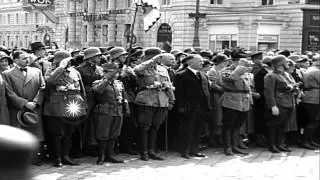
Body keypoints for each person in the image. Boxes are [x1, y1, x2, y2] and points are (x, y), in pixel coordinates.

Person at [43, 50, 87, 167]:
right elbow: (49, 82)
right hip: (56, 107)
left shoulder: (75, 72)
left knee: (69, 132)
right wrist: (60, 68)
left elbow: (81, 90)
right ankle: (57, 158)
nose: (69, 63)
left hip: (72, 105)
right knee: (57, 133)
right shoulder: (51, 71)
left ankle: (66, 156)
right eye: (66, 61)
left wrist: (84, 106)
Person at [2, 50, 46, 165]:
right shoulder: (7, 74)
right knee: (19, 135)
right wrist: (24, 103)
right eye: (23, 58)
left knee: (36, 134)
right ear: (16, 60)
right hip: (18, 109)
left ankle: (37, 157)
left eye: (27, 58)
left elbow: (42, 88)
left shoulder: (36, 71)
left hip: (34, 109)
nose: (27, 60)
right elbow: (9, 92)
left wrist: (36, 102)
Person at [134, 47, 175, 161]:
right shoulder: (143, 67)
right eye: (159, 56)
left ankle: (152, 150)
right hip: (146, 100)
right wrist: (152, 60)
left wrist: (172, 99)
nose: (160, 58)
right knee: (145, 127)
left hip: (161, 101)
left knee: (155, 127)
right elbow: (137, 70)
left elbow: (168, 84)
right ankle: (144, 151)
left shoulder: (162, 69)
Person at [174, 54, 211, 159]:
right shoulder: (181, 75)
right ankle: (185, 150)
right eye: (199, 61)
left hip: (201, 107)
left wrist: (208, 105)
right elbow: (179, 93)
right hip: (189, 106)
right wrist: (180, 106)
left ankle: (195, 149)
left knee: (198, 129)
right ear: (190, 62)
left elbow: (206, 91)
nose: (202, 63)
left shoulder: (203, 75)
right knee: (187, 129)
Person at [92, 63, 130, 165]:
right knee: (103, 134)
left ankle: (110, 155)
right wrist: (106, 79)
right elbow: (98, 91)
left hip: (117, 110)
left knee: (114, 134)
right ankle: (101, 156)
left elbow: (124, 97)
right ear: (104, 72)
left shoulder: (119, 83)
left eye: (115, 72)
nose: (114, 74)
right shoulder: (97, 82)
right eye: (111, 72)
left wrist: (126, 108)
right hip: (104, 110)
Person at [220, 57, 255, 155]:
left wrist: (250, 102)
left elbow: (248, 89)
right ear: (233, 62)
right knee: (228, 125)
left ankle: (235, 145)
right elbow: (233, 78)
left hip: (243, 102)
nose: (245, 65)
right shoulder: (226, 71)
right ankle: (228, 147)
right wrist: (239, 67)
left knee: (237, 125)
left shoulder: (245, 74)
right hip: (231, 102)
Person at [264, 55, 296, 153]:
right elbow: (269, 92)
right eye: (286, 62)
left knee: (282, 126)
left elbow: (292, 84)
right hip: (279, 103)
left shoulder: (285, 74)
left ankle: (279, 143)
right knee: (273, 125)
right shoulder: (270, 76)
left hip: (288, 103)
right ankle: (272, 145)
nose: (288, 64)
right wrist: (273, 106)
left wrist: (293, 87)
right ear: (279, 64)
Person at [76, 47, 103, 156]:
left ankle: (93, 145)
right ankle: (80, 147)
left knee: (95, 123)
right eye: (97, 56)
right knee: (83, 123)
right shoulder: (79, 69)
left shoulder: (100, 69)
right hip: (86, 98)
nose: (100, 57)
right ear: (90, 57)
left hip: (98, 97)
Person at [207, 54, 229, 147]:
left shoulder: (220, 71)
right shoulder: (212, 71)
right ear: (219, 62)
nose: (226, 63)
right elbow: (212, 84)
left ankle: (218, 137)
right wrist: (223, 89)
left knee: (220, 119)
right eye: (225, 61)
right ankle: (212, 139)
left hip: (222, 97)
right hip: (216, 97)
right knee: (216, 118)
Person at [301, 54, 320, 150]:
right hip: (314, 98)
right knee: (314, 121)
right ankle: (306, 141)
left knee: (313, 121)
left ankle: (310, 140)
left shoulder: (310, 70)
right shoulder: (316, 71)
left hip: (310, 97)